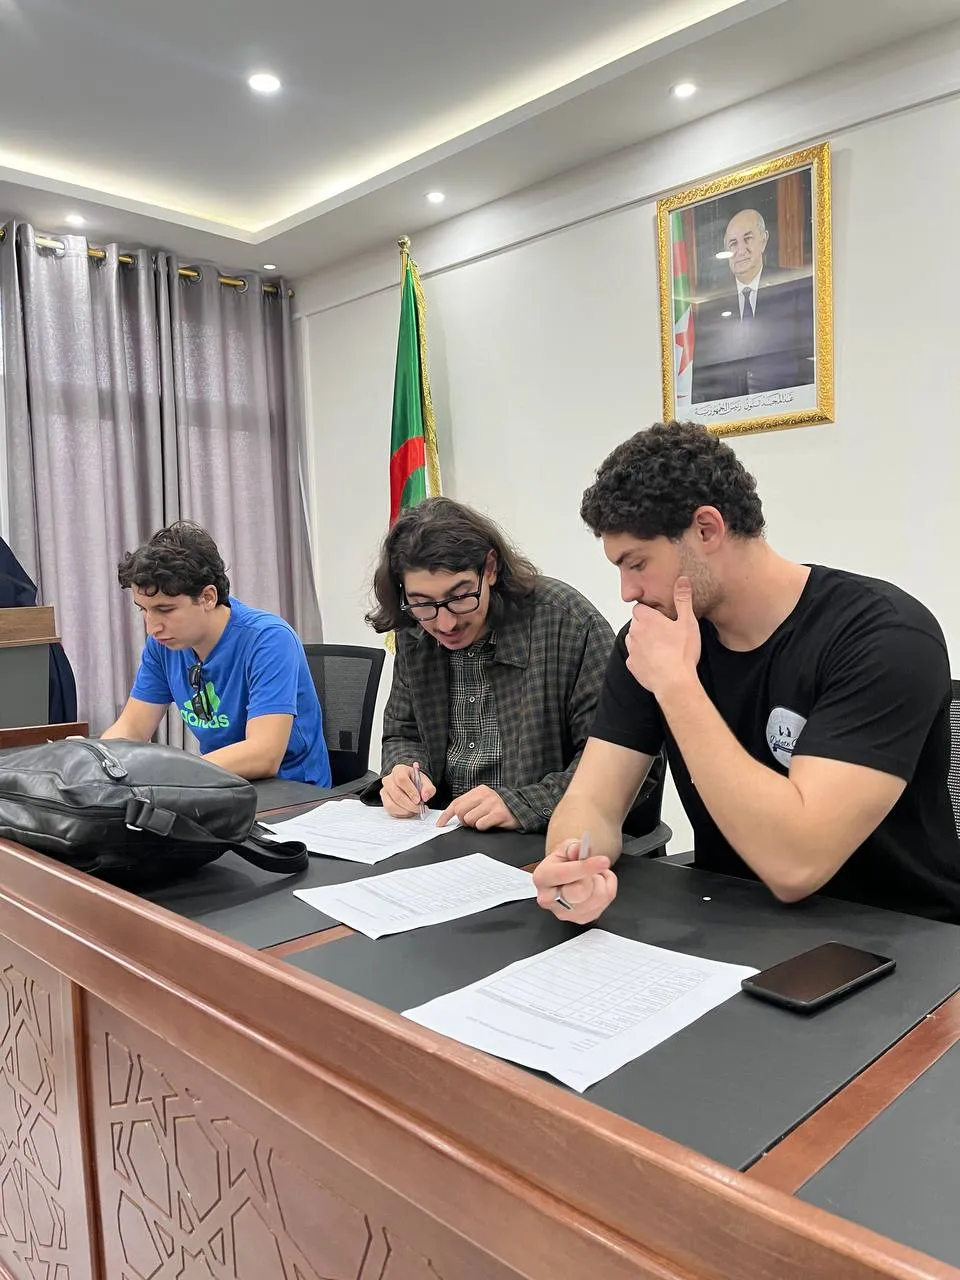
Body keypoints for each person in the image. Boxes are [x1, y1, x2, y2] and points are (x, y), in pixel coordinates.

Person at [534, 421, 960, 923]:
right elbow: (593, 801)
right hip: (733, 922)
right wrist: (573, 862)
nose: (628, 592)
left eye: (638, 563)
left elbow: (797, 865)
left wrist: (676, 684)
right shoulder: (655, 640)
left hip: (901, 933)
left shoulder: (885, 635)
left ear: (706, 529)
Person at [365, 497, 653, 833]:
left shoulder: (567, 624)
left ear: (490, 568)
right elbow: (403, 731)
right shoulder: (415, 629)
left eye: (460, 597)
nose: (445, 624)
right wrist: (403, 772)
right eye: (423, 604)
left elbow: (620, 765)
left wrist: (522, 804)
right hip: (439, 832)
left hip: (543, 840)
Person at [103, 521, 331, 786]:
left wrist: (170, 773)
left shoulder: (269, 639)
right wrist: (94, 760)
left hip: (292, 791)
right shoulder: (163, 645)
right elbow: (131, 729)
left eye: (165, 610)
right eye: (143, 609)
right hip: (219, 785)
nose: (152, 627)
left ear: (208, 598)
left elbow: (264, 754)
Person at [691, 208, 815, 405]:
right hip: (730, 415)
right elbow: (703, 379)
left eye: (747, 239)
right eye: (733, 244)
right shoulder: (711, 305)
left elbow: (809, 361)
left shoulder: (794, 289)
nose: (741, 250)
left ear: (763, 241)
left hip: (787, 408)